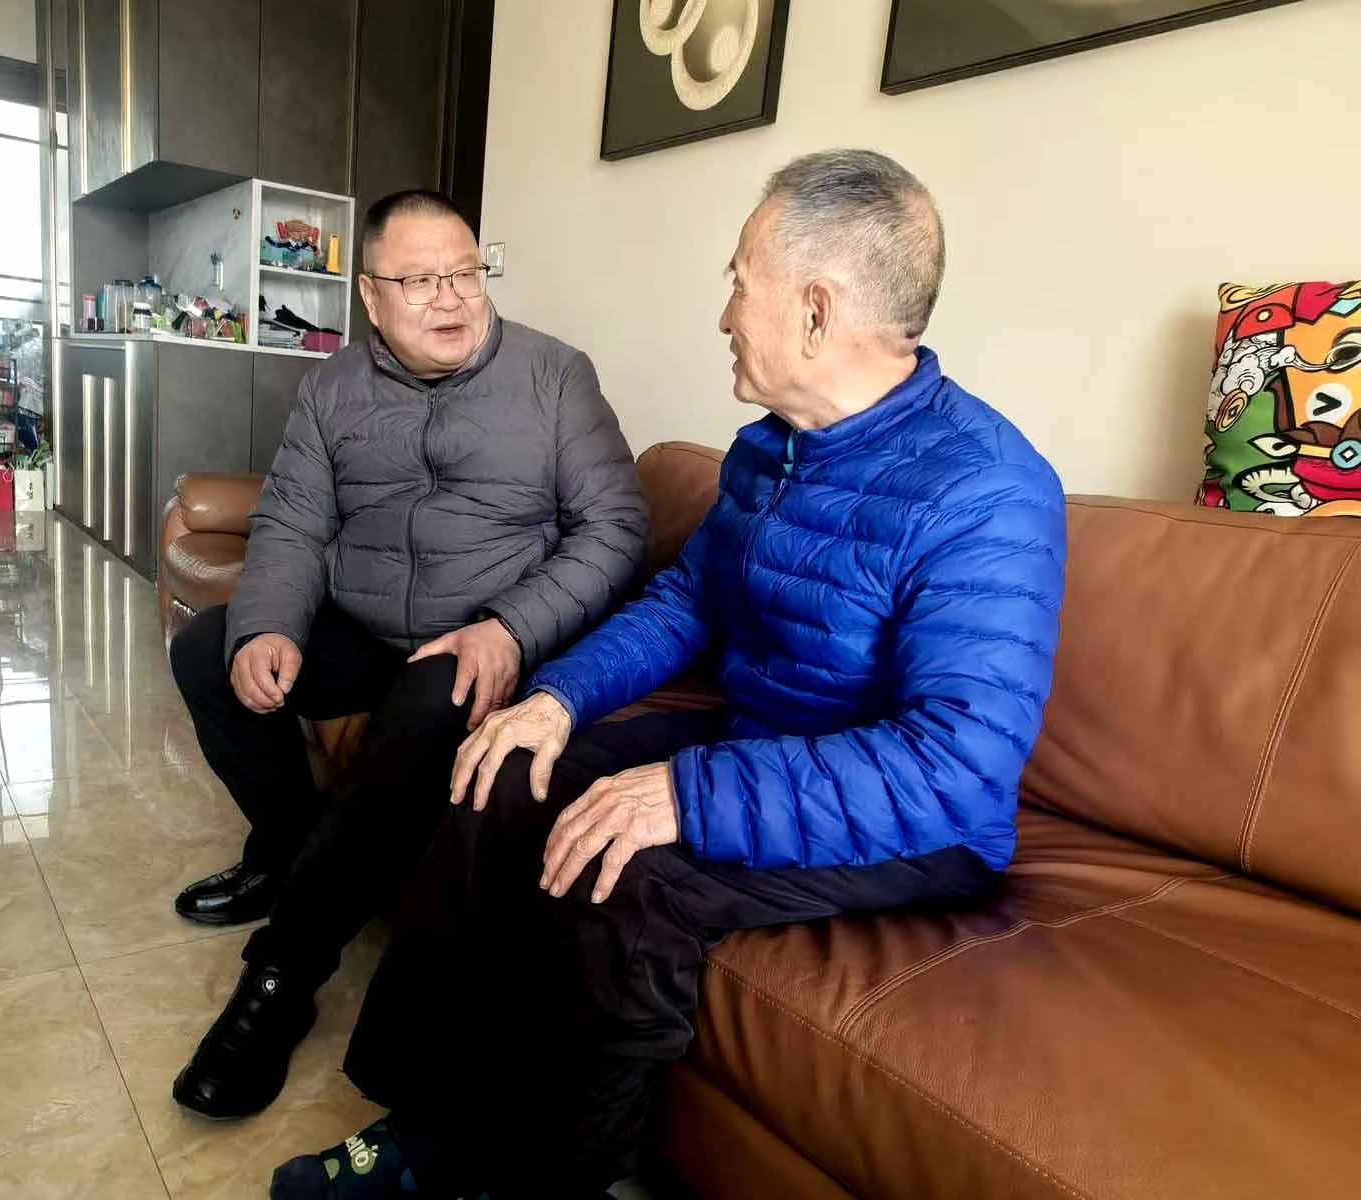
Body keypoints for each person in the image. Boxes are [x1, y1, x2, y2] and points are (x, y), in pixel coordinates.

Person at [271, 150, 1068, 1198]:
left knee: (627, 875)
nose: (725, 315)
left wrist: (690, 795)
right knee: (501, 768)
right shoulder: (770, 449)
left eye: (740, 283)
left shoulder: (986, 491)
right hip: (761, 741)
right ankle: (426, 1127)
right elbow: (687, 600)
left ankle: (544, 1180)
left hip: (917, 824)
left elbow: (954, 768)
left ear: (816, 312)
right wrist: (556, 699)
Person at [167, 189, 649, 1119]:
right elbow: (293, 525)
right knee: (206, 652)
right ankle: (289, 854)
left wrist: (511, 627)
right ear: (370, 296)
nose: (451, 297)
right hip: (367, 623)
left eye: (466, 272)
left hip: (487, 634)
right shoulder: (333, 388)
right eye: (420, 280)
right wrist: (267, 627)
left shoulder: (555, 376)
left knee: (431, 698)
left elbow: (617, 530)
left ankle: (283, 974)